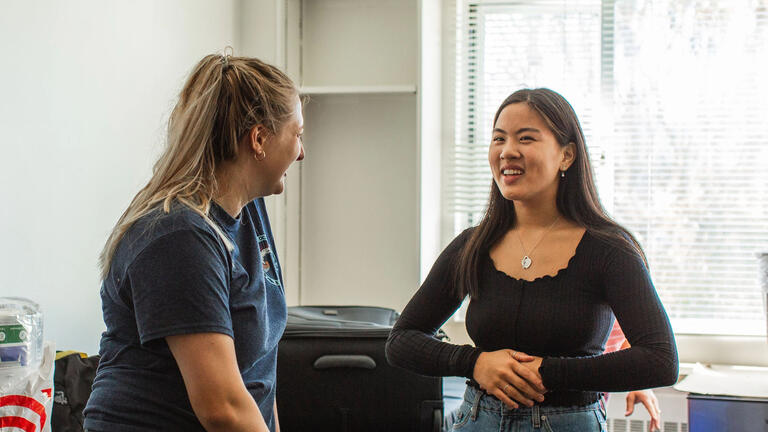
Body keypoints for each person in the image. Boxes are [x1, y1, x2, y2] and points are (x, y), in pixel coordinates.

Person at [386, 88, 677, 431]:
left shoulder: (610, 250)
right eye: (499, 139)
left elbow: (660, 360)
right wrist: (474, 362)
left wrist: (544, 372)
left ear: (566, 155)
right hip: (477, 420)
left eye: (526, 138)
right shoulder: (472, 246)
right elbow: (401, 341)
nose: (508, 151)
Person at [83, 52, 304, 432]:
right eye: (297, 134)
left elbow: (257, 380)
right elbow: (222, 407)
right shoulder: (179, 237)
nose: (301, 152)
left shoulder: (248, 211)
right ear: (259, 139)